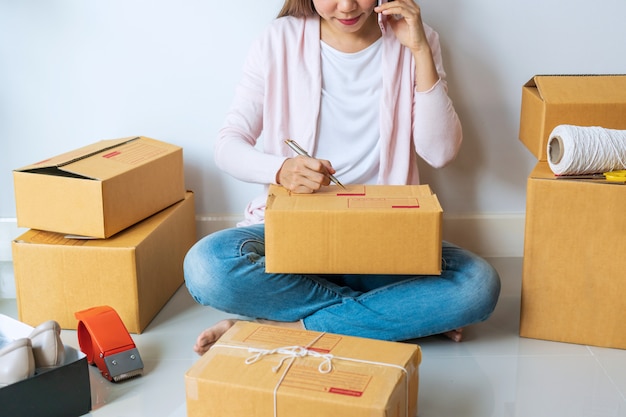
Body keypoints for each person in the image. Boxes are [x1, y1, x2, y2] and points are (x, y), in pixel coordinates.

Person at [184, 0, 501, 355]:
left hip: (383, 241)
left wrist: (420, 50)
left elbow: (440, 151)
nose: (348, 6)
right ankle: (398, 310)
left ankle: (284, 331)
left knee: (478, 285)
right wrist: (281, 169)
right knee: (205, 266)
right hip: (297, 240)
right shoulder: (278, 39)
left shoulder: (418, 39)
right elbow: (227, 145)